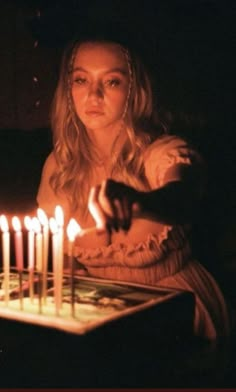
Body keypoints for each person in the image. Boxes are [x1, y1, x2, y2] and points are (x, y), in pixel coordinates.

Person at [37, 29, 230, 340]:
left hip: (175, 308)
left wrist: (139, 202)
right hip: (99, 311)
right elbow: (63, 260)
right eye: (81, 80)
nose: (93, 95)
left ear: (134, 90)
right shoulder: (61, 166)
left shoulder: (163, 152)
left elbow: (182, 197)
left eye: (112, 81)